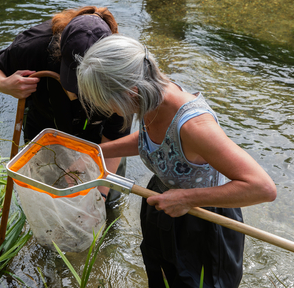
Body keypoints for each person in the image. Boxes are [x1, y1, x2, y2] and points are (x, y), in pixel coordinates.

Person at [76, 34, 277, 287]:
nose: (104, 107)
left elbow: (263, 188)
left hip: (203, 224)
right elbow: (156, 142)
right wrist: (96, 152)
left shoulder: (195, 126)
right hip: (164, 204)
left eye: (104, 99)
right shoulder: (152, 98)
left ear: (131, 91)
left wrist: (186, 199)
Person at [0, 6, 129, 202]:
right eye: (71, 82)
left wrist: (101, 196)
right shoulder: (33, 45)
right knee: (47, 195)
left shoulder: (121, 71)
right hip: (46, 129)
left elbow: (114, 137)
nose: (73, 96)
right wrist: (4, 84)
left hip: (99, 138)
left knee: (109, 200)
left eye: (83, 88)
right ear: (59, 52)